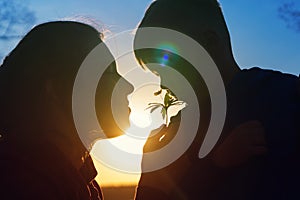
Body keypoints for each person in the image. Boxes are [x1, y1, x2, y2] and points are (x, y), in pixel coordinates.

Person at [134, 0, 300, 199]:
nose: (162, 85)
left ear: (209, 42)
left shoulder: (285, 98)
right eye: (156, 73)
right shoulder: (178, 135)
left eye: (167, 67)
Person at [0, 21, 133, 199]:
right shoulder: (21, 184)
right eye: (108, 71)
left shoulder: (82, 179)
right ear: (57, 88)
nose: (129, 86)